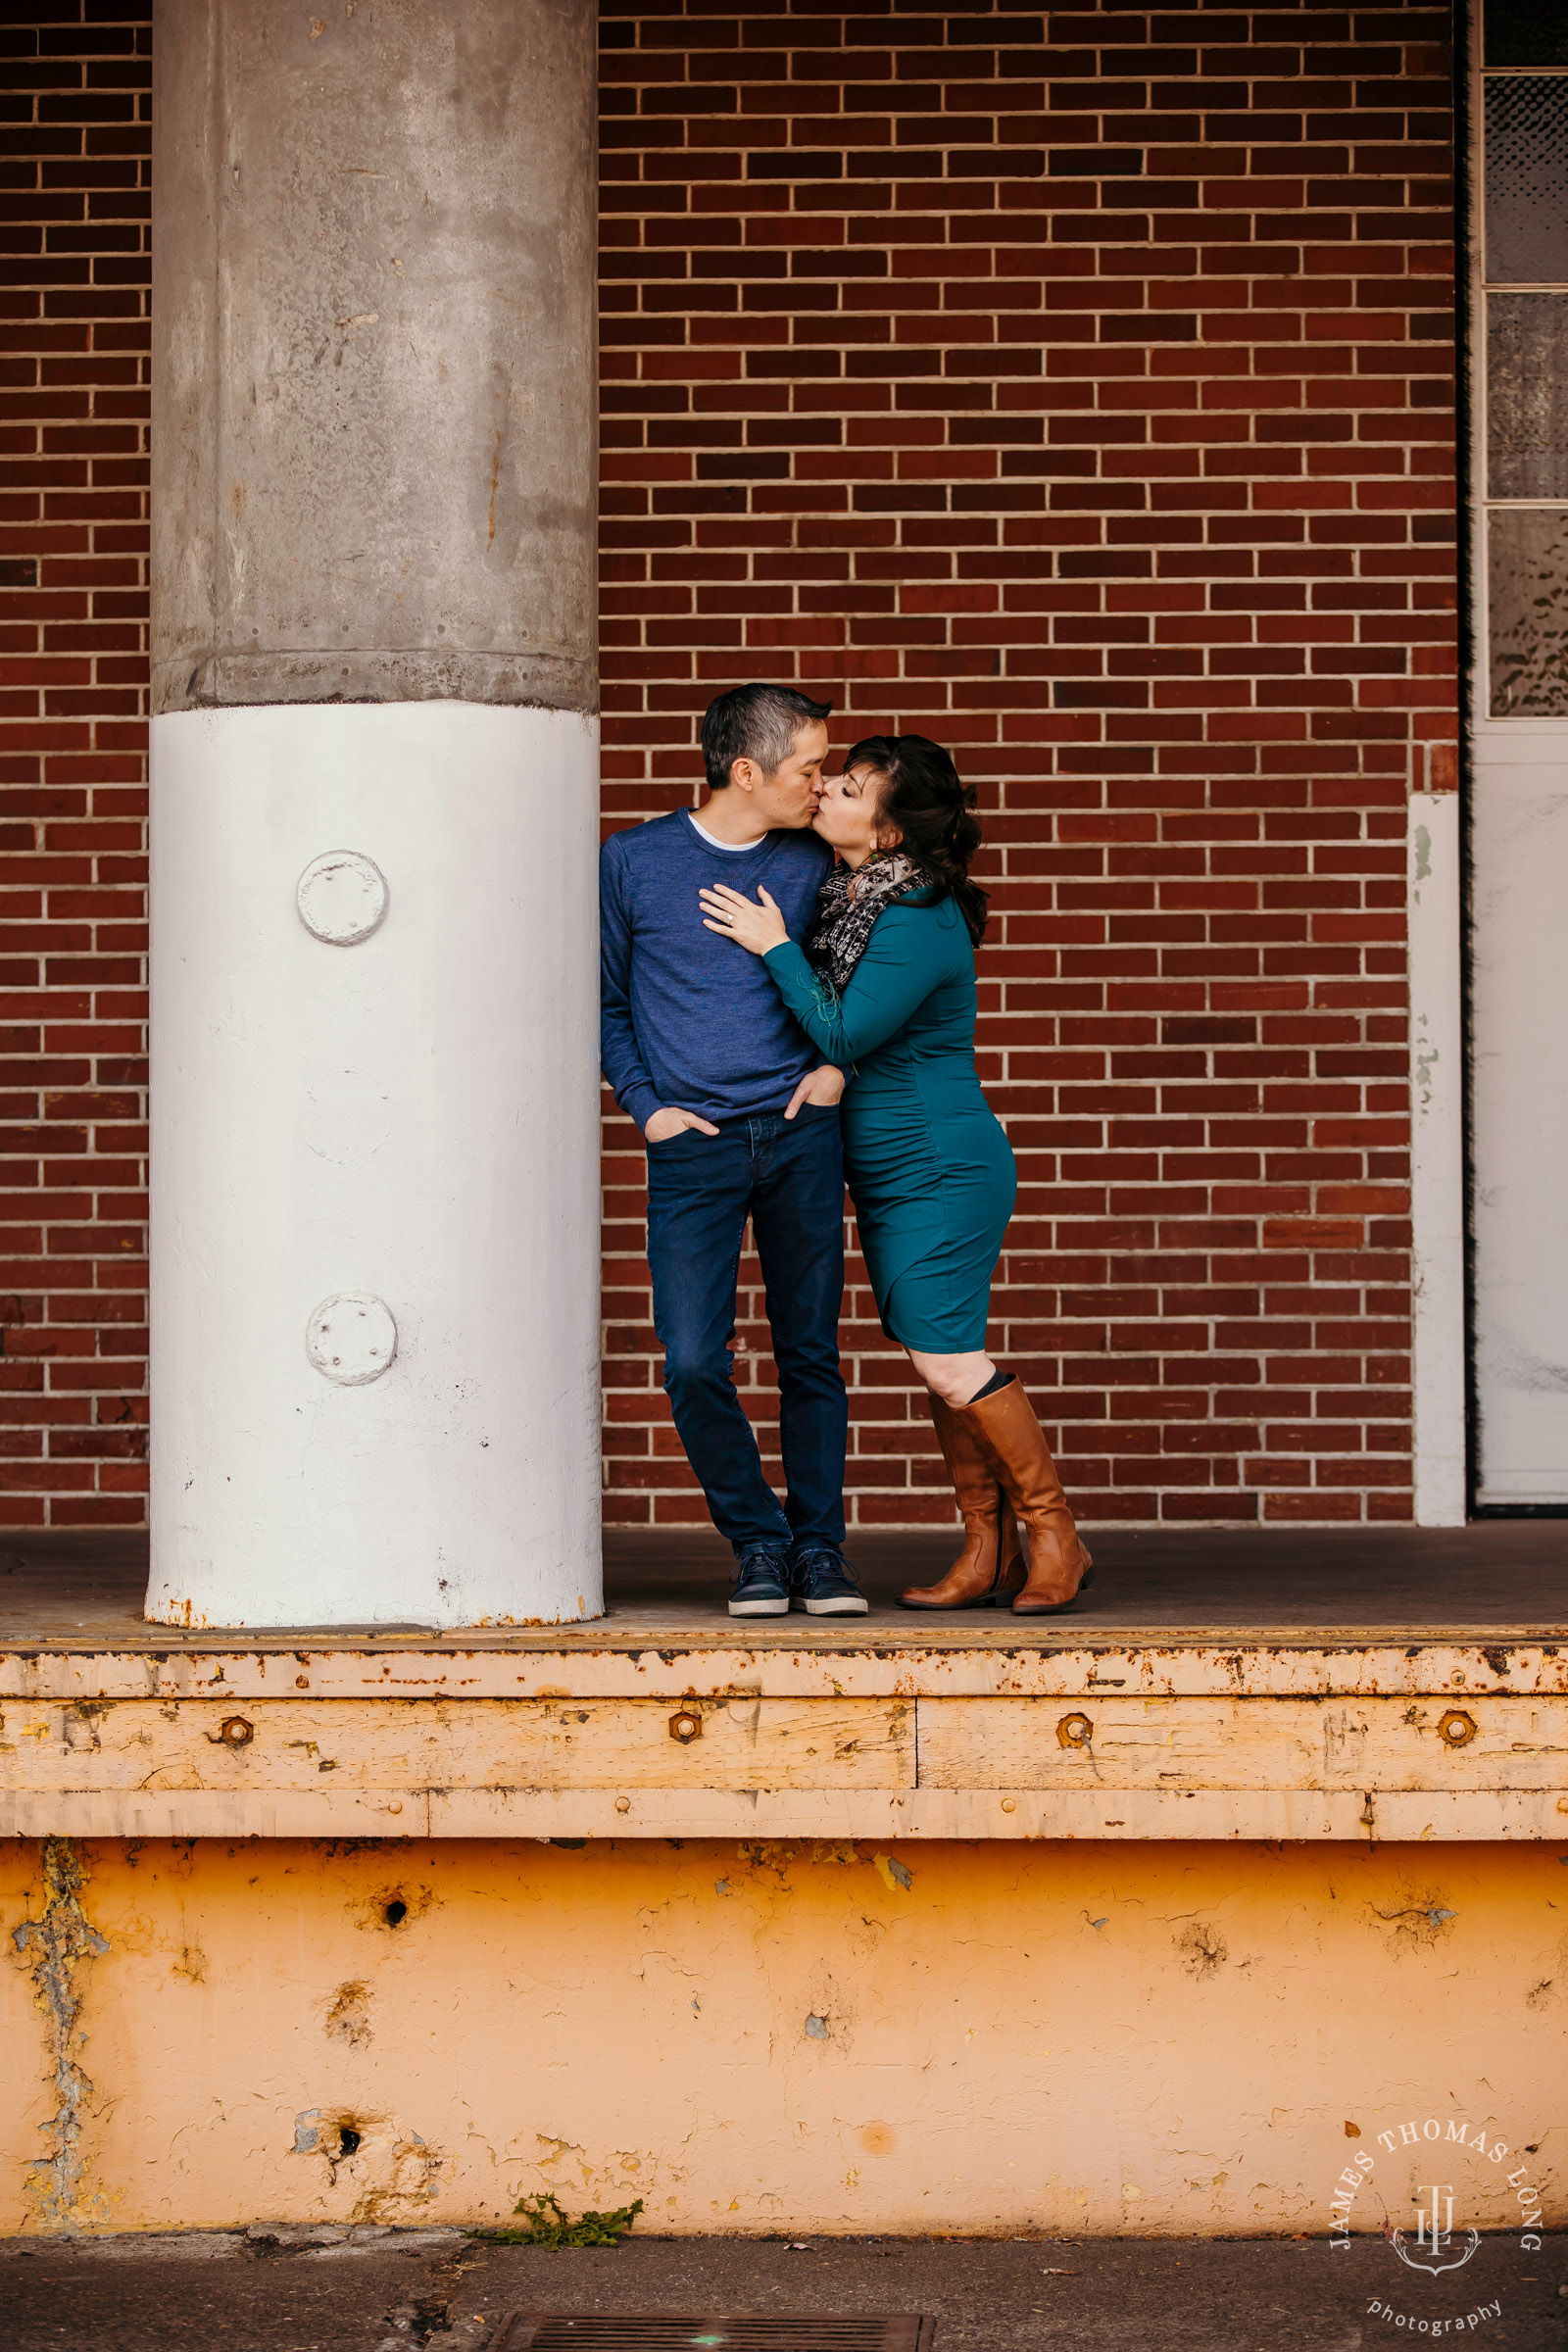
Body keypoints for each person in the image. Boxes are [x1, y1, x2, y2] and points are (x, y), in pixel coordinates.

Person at [700, 733, 1094, 1616]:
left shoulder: (917, 914)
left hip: (938, 1163)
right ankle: (985, 1549)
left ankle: (1054, 1533)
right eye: (834, 779)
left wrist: (772, 944)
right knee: (936, 1357)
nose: (827, 791)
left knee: (949, 1360)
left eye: (847, 787)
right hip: (889, 1163)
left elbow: (841, 1032)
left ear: (886, 835)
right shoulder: (852, 896)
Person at [600, 682, 869, 1619]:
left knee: (809, 1353)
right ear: (746, 771)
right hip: (693, 1147)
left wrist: (838, 1074)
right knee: (693, 1361)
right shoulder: (633, 860)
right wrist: (646, 1108)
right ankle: (758, 1540)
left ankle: (820, 1551)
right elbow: (609, 1003)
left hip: (801, 1139)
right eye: (809, 768)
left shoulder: (815, 862)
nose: (822, 784)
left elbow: (868, 983)